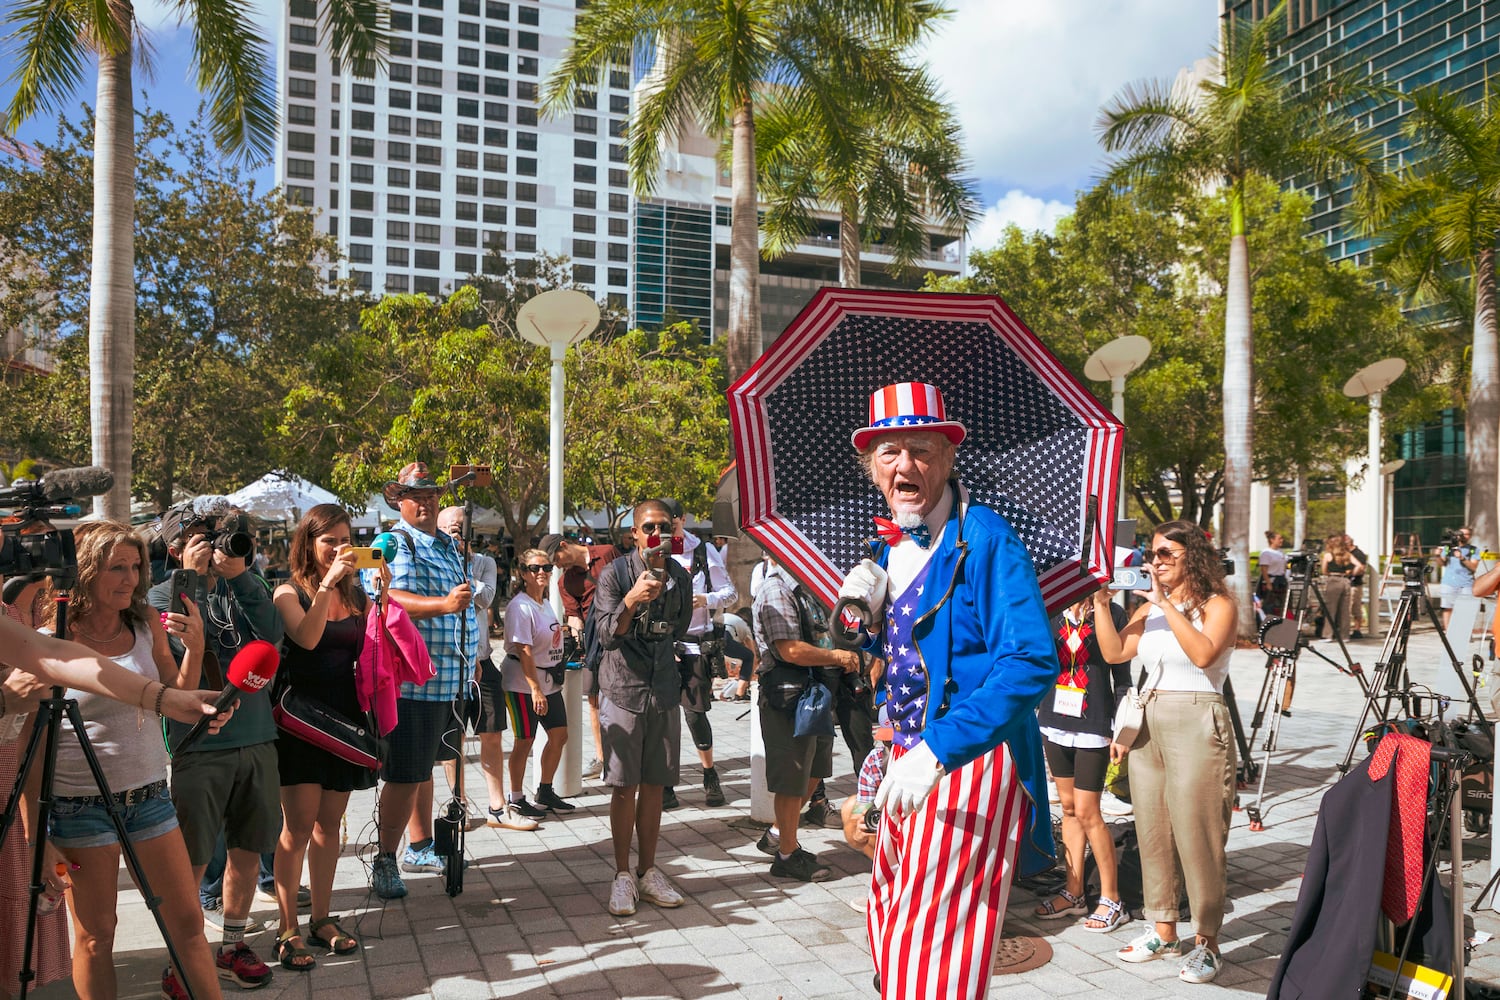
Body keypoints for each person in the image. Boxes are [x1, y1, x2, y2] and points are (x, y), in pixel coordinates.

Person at [834, 382, 1056, 997]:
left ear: (949, 457)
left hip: (968, 759)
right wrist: (867, 622)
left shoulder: (984, 536)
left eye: (921, 450)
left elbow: (1031, 660)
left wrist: (937, 750)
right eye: (889, 452)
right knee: (889, 918)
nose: (904, 466)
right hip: (897, 755)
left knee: (932, 945)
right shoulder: (887, 544)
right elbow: (905, 656)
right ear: (871, 464)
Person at [0, 584, 230, 1000]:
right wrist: (39, 837)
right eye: (116, 568)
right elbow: (30, 747)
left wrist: (192, 656)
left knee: (188, 926)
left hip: (150, 801)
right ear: (87, 573)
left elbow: (167, 693)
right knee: (95, 937)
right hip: (77, 810)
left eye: (135, 567)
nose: (128, 579)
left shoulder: (144, 626)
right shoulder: (49, 640)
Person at [1091, 519, 1237, 985]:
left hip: (1197, 718)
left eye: (1165, 554)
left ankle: (1207, 942)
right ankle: (1164, 929)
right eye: (1152, 554)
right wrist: (1101, 604)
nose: (1155, 562)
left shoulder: (1218, 605)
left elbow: (1203, 656)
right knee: (1152, 829)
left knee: (1198, 834)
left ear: (1191, 557)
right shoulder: (1148, 608)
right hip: (1149, 721)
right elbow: (1115, 653)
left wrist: (1165, 604)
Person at [149, 498, 283, 993]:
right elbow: (180, 665)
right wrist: (193, 581)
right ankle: (180, 958)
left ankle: (232, 944)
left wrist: (241, 575)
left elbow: (274, 636)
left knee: (249, 847)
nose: (210, 547)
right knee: (194, 858)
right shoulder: (162, 597)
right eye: (197, 539)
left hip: (257, 739)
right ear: (174, 547)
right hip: (199, 746)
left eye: (214, 536)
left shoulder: (242, 585)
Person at [269, 504, 384, 971]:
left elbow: (375, 644)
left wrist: (385, 596)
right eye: (329, 541)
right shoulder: (287, 592)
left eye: (345, 539)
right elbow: (309, 639)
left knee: (329, 827)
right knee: (297, 827)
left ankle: (321, 918)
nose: (339, 549)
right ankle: (285, 928)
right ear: (308, 544)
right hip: (301, 721)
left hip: (345, 719)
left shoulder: (357, 595)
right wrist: (329, 585)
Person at [371, 463, 478, 899]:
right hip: (412, 685)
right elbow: (380, 594)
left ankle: (420, 847)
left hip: (452, 683)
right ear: (399, 500)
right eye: (416, 495)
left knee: (424, 770)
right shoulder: (389, 542)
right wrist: (442, 605)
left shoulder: (448, 545)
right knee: (403, 775)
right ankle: (383, 861)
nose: (426, 501)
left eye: (432, 494)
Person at [591, 499, 692, 916]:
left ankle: (648, 871)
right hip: (623, 689)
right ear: (634, 533)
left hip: (663, 689)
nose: (656, 535)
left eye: (664, 527)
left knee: (655, 784)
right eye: (648, 527)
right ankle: (621, 876)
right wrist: (631, 601)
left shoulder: (681, 578)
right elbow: (606, 635)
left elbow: (680, 628)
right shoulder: (615, 574)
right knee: (623, 785)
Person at [751, 556, 861, 881]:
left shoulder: (812, 591)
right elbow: (790, 650)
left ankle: (776, 835)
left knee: (814, 772)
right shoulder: (777, 589)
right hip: (787, 696)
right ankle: (787, 854)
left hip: (813, 693)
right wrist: (836, 656)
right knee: (792, 777)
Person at [1032, 591, 1133, 933]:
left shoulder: (1113, 613)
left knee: (1090, 813)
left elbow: (1122, 676)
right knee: (1070, 808)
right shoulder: (1053, 612)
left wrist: (1121, 729)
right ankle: (1074, 893)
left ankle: (1112, 899)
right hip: (1053, 720)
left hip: (1093, 725)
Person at [436, 508, 535, 832]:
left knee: (492, 733)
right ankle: (458, 801)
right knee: (454, 737)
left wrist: (460, 569)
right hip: (448, 663)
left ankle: (497, 806)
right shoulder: (432, 562)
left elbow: (485, 598)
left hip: (481, 658)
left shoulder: (483, 563)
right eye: (451, 530)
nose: (458, 535)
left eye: (462, 530)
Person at [661, 498, 736, 810]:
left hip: (695, 646)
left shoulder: (703, 550)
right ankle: (665, 783)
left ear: (682, 519)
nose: (663, 531)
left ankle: (709, 774)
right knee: (663, 716)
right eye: (656, 526)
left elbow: (730, 594)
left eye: (669, 524)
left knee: (694, 714)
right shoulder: (653, 549)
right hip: (662, 646)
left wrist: (705, 598)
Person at [497, 548, 572, 818]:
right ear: (523, 573)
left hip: (548, 680)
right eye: (534, 568)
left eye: (547, 567)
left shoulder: (545, 602)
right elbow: (524, 650)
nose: (541, 572)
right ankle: (516, 797)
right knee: (524, 741)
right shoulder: (520, 606)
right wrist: (535, 689)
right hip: (523, 684)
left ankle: (545, 790)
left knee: (559, 735)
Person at [544, 532, 621, 779]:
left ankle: (625, 756)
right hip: (594, 641)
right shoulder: (564, 583)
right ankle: (601, 758)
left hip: (623, 634)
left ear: (565, 545)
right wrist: (575, 639)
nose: (558, 566)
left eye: (557, 559)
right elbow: (574, 616)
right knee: (594, 700)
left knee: (622, 696)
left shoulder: (608, 552)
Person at [1318, 533, 1361, 643]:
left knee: (1330, 609)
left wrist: (1328, 573)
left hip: (1333, 580)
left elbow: (1323, 570)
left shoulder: (1328, 555)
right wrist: (1351, 573)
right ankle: (1345, 636)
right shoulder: (1347, 555)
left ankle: (1328, 635)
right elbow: (1359, 565)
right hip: (1345, 581)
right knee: (1345, 610)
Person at [1437, 525, 1480, 629]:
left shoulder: (1473, 550)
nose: (1463, 536)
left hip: (1466, 584)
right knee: (1447, 608)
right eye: (1461, 534)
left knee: (1465, 610)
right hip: (1449, 583)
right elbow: (1441, 564)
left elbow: (1473, 567)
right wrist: (1437, 556)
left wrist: (1462, 558)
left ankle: (1463, 632)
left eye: (1466, 534)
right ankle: (1448, 633)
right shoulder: (1448, 548)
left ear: (1470, 536)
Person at [1344, 534, 1369, 638]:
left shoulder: (1358, 554)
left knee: (1354, 607)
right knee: (1351, 607)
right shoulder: (1346, 553)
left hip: (1354, 584)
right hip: (1348, 583)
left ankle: (1356, 629)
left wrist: (1350, 573)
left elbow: (1361, 568)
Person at [1257, 532, 1288, 618]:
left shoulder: (1281, 552)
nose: (1281, 540)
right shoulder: (1266, 553)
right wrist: (1268, 583)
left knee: (1282, 603)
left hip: (1281, 579)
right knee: (1270, 604)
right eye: (1279, 539)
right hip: (1271, 579)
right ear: (1272, 540)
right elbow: (1264, 569)